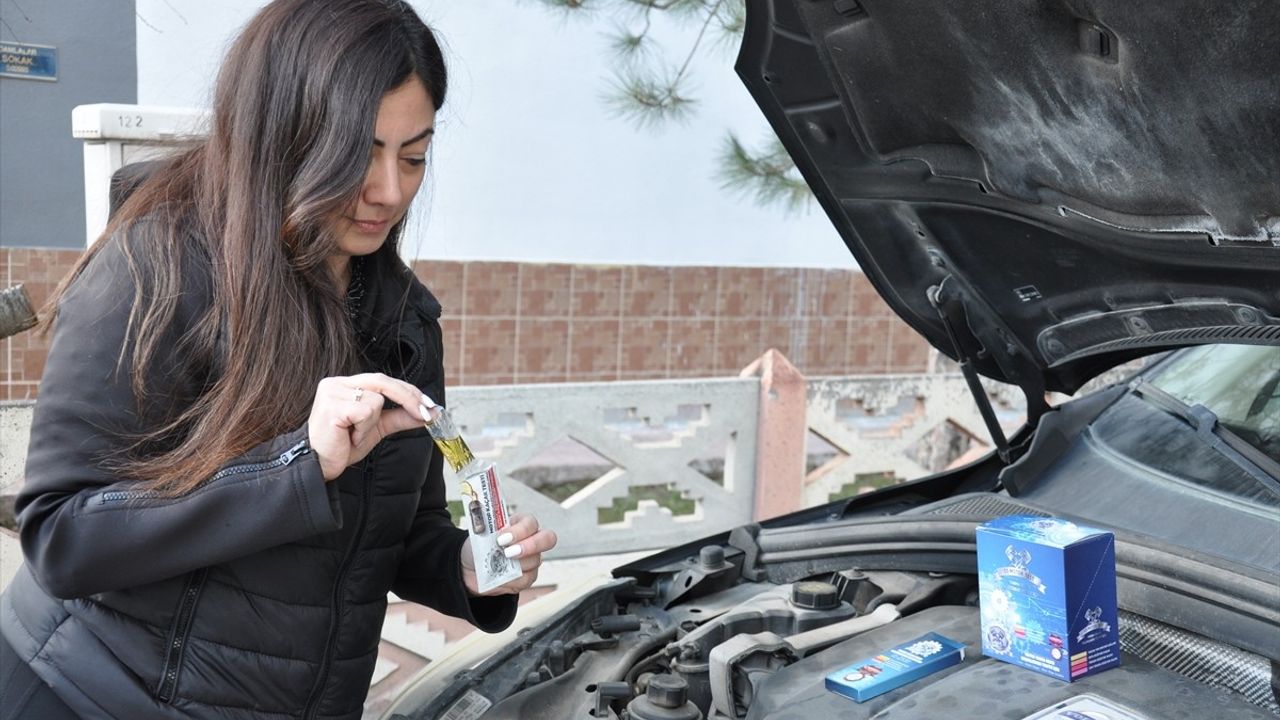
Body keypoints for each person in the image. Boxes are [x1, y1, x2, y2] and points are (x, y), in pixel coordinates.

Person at [0, 1, 556, 717]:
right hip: (89, 695)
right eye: (360, 153)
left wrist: (464, 571)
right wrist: (297, 467)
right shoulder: (156, 269)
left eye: (414, 156)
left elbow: (396, 529)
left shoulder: (404, 318)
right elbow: (62, 537)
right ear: (285, 135)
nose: (390, 190)